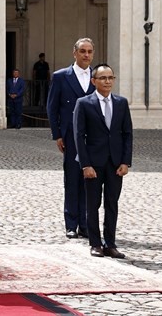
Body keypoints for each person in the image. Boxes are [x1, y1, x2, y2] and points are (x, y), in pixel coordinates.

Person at [73, 63, 132, 259]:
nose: (107, 81)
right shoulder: (84, 103)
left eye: (110, 78)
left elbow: (127, 134)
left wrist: (126, 161)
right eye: (103, 78)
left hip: (115, 162)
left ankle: (110, 244)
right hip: (93, 162)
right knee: (93, 204)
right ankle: (95, 243)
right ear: (94, 81)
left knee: (112, 203)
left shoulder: (122, 103)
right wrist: (85, 164)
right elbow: (79, 136)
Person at [47, 38, 95, 240]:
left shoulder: (98, 76)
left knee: (90, 180)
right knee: (72, 179)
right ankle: (71, 223)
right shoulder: (60, 76)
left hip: (94, 136)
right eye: (82, 51)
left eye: (90, 51)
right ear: (74, 53)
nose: (86, 55)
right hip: (70, 134)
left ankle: (86, 224)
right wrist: (57, 134)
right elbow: (52, 107)